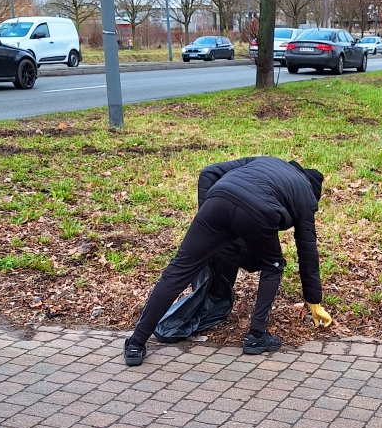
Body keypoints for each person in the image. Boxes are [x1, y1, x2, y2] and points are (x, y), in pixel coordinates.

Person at [124, 156, 332, 366]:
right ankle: (256, 337)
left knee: (176, 272)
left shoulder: (266, 161)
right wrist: (313, 300)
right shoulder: (306, 195)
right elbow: (307, 250)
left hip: (218, 199)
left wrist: (208, 227)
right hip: (260, 212)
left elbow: (209, 172)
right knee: (274, 265)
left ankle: (136, 343)